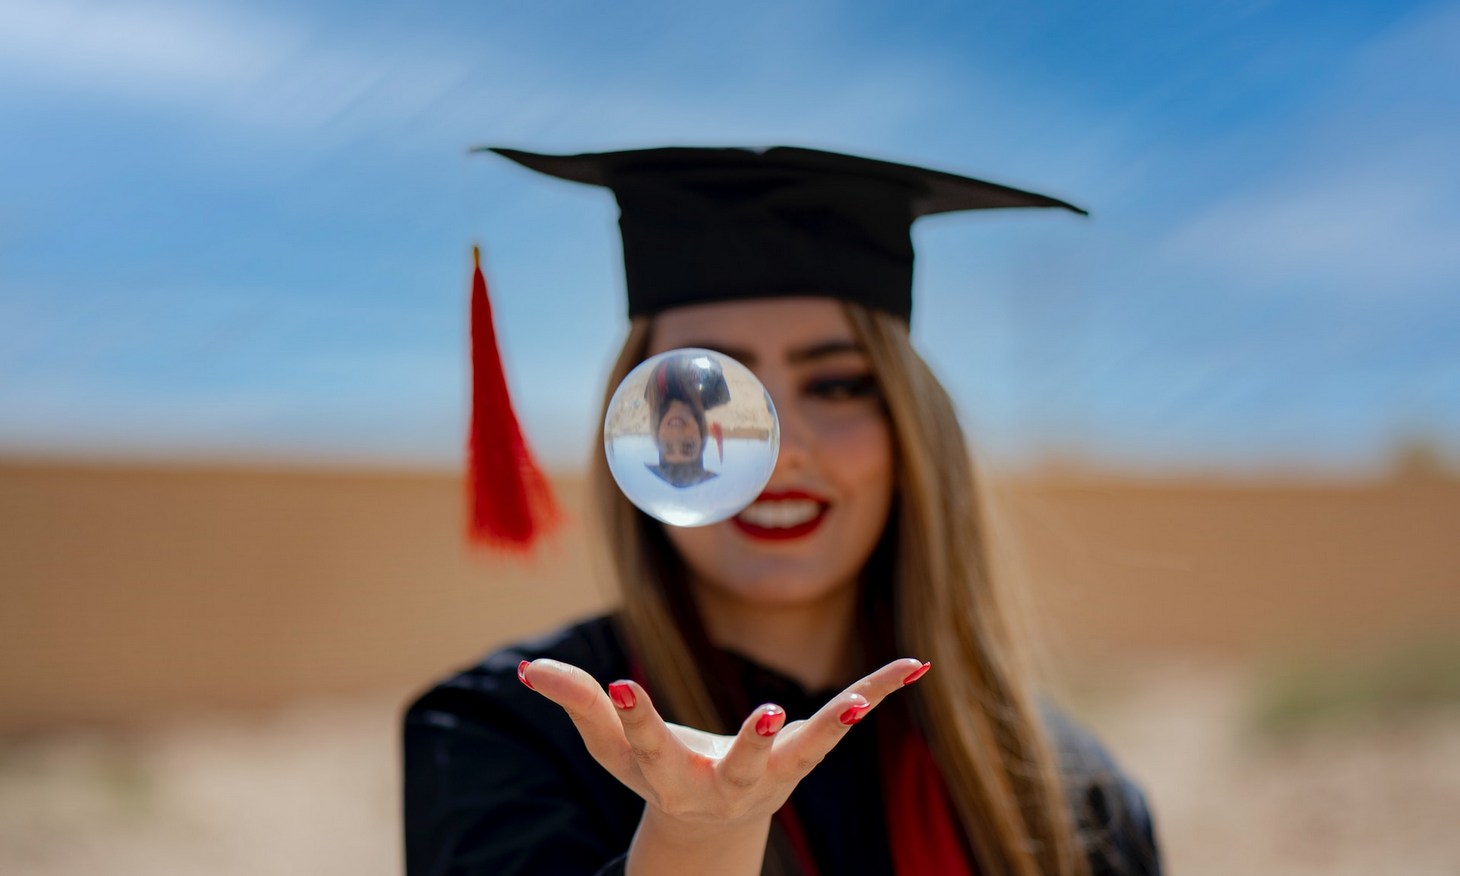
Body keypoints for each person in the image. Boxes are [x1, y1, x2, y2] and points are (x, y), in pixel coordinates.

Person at [404, 146, 1162, 876]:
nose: (777, 447)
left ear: (912, 428)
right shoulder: (501, 734)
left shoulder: (1067, 791)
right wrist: (697, 842)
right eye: (706, 396)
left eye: (836, 385)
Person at [644, 354, 727, 488]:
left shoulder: (652, 391)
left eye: (667, 447)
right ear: (701, 434)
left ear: (657, 434)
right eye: (688, 446)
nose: (677, 435)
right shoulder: (716, 390)